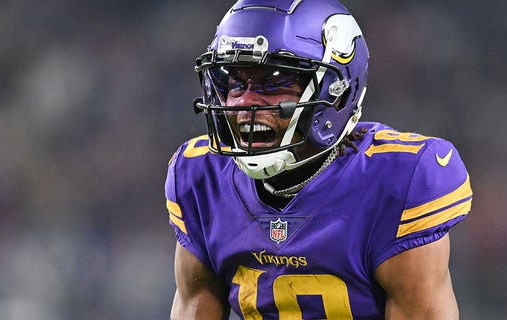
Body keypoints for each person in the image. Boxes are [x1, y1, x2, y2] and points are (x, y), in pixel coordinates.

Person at [165, 0, 472, 318]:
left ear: (335, 93)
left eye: (273, 82)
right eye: (235, 83)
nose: (246, 101)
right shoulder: (202, 177)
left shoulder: (401, 181)